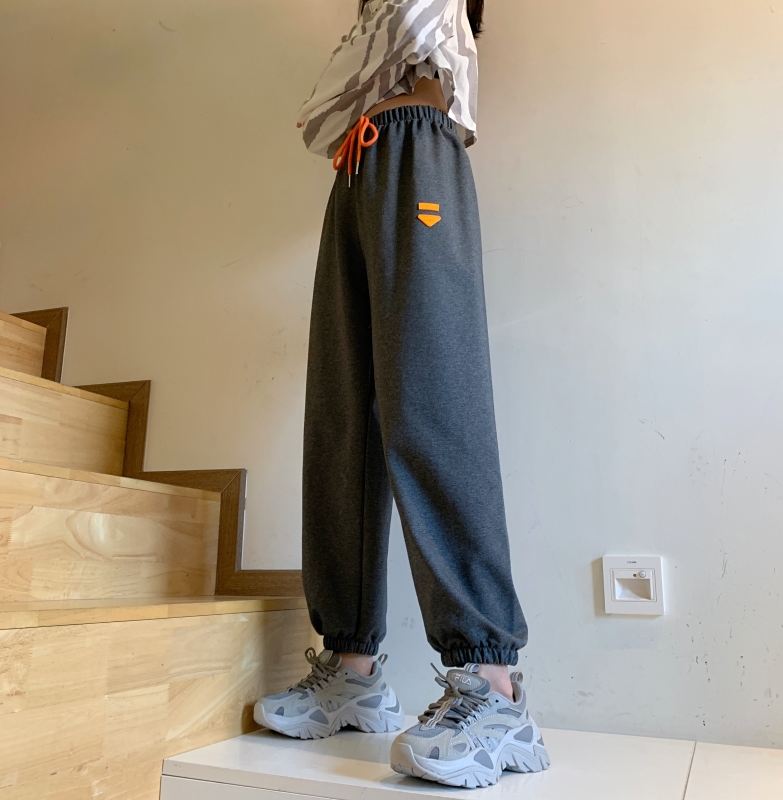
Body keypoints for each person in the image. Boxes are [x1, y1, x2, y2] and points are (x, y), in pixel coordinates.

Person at [254, 0, 550, 787]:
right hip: (358, 163)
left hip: (420, 147)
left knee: (433, 405)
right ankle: (352, 670)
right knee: (342, 418)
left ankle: (492, 684)